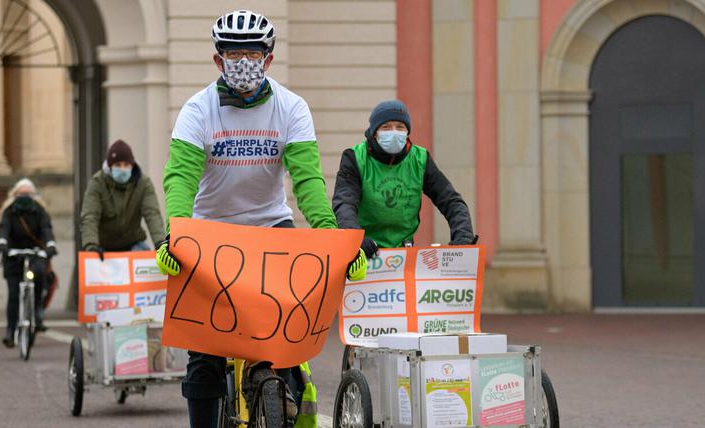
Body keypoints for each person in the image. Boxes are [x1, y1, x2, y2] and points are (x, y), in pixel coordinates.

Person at [154, 10, 367, 428]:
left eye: (252, 53)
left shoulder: (292, 107)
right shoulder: (197, 110)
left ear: (268, 59)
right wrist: (175, 234)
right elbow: (180, 178)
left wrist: (333, 240)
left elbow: (307, 182)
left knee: (286, 338)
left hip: (271, 228)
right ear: (218, 60)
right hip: (208, 232)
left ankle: (287, 392)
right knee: (204, 355)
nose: (243, 62)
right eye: (234, 54)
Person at [332, 99, 477, 259]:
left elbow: (451, 201)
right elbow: (344, 203)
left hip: (404, 254)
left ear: (407, 132)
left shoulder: (420, 159)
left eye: (400, 127)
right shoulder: (355, 158)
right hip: (364, 252)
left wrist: (463, 238)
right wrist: (355, 236)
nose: (394, 132)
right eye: (386, 127)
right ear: (374, 132)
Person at [0, 178, 57, 347]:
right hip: (13, 256)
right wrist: (3, 244)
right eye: (21, 193)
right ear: (14, 195)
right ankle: (10, 331)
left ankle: (37, 312)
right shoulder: (9, 212)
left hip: (35, 254)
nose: (25, 196)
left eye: (28, 193)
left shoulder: (40, 211)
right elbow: (3, 230)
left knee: (39, 277)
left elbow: (47, 230)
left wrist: (50, 245)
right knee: (13, 294)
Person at [79, 139, 165, 258]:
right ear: (110, 166)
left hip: (133, 243)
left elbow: (152, 214)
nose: (122, 169)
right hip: (103, 246)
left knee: (144, 258)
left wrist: (161, 244)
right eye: (118, 165)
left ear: (132, 165)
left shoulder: (143, 183)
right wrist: (91, 246)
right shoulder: (97, 183)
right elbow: (90, 216)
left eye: (126, 165)